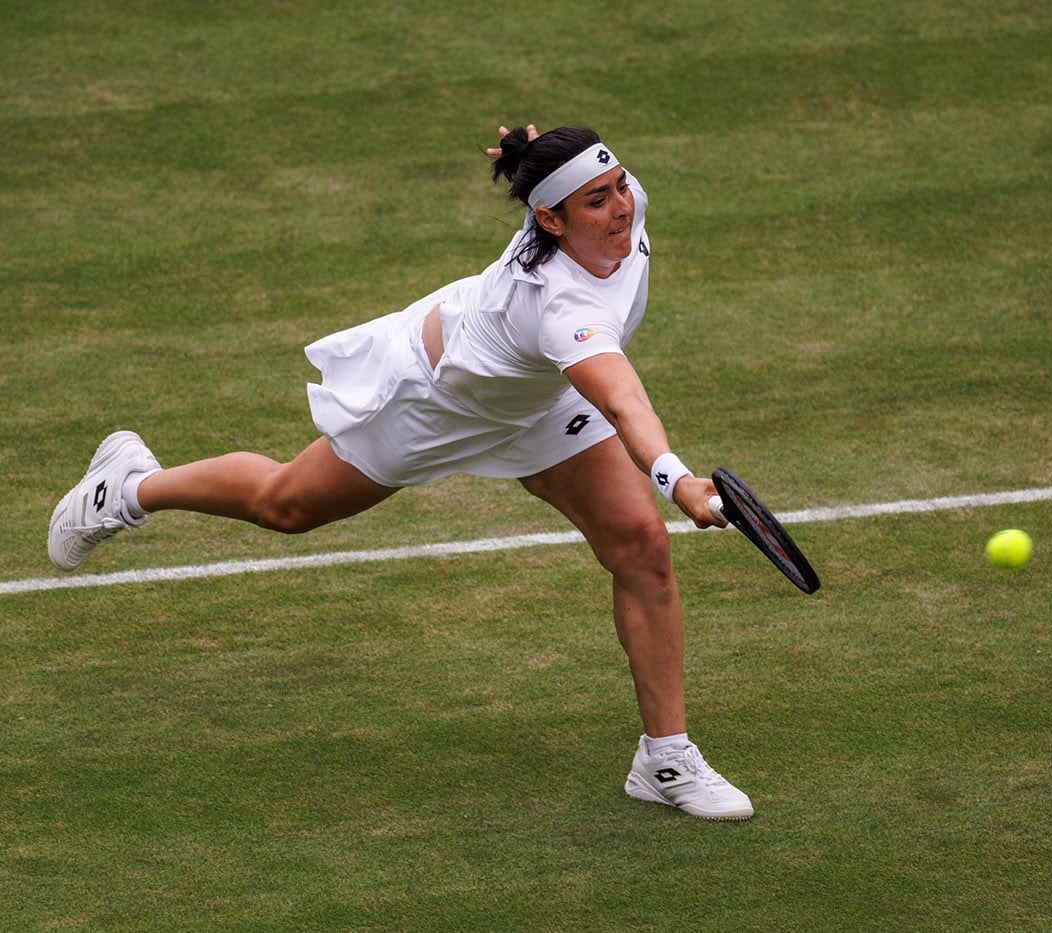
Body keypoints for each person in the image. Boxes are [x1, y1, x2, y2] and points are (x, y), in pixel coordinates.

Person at [48, 124, 754, 821]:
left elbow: (603, 368)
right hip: (436, 402)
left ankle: (665, 757)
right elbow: (623, 400)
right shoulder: (560, 305)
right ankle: (130, 484)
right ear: (550, 219)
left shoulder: (621, 211)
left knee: (642, 547)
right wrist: (678, 479)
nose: (622, 207)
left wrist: (536, 147)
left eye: (620, 185)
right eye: (596, 201)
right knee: (286, 505)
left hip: (541, 398)